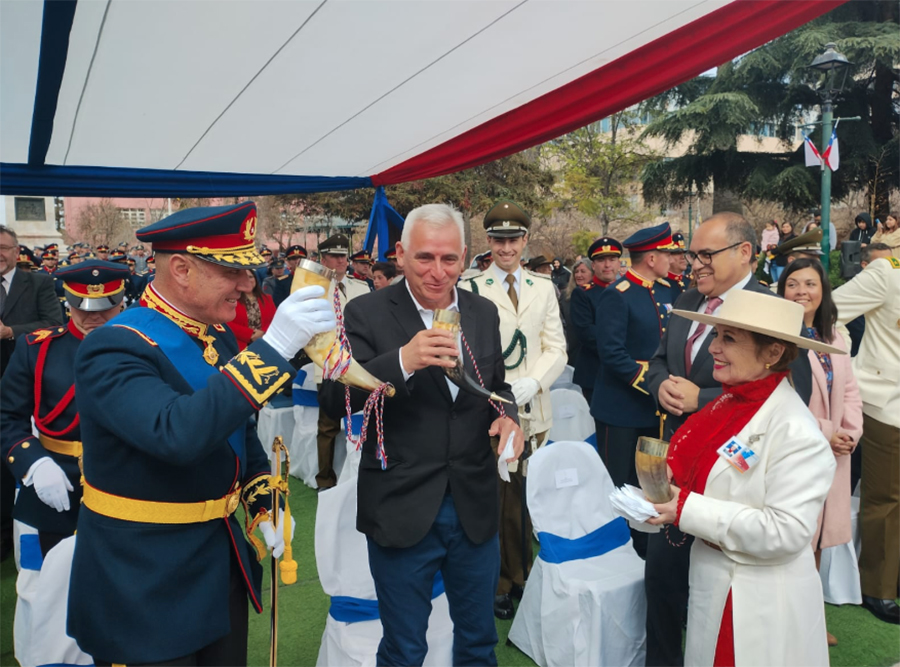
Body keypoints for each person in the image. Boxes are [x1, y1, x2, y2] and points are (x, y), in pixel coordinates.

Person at [66, 201, 336, 666]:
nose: (247, 283)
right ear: (181, 269)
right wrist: (274, 348)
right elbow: (176, 434)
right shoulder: (114, 346)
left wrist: (260, 498)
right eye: (231, 271)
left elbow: (236, 431)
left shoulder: (216, 335)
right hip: (144, 578)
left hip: (216, 561)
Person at [320, 203, 523, 666]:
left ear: (465, 257)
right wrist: (402, 362)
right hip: (401, 504)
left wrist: (508, 416)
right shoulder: (365, 312)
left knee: (478, 643)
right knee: (405, 648)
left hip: (474, 502)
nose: (438, 271)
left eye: (449, 259)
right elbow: (335, 399)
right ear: (400, 254)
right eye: (425, 258)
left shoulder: (482, 312)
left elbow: (497, 386)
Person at [644, 212, 813, 667]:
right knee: (662, 591)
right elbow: (658, 360)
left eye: (706, 254)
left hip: (730, 514)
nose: (695, 263)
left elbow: (787, 391)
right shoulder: (687, 299)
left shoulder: (773, 312)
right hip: (681, 486)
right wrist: (661, 386)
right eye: (692, 254)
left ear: (744, 252)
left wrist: (701, 398)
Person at [460, 200, 566, 620]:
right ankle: (499, 582)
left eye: (514, 239)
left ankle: (522, 575)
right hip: (491, 410)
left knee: (526, 497)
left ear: (525, 241)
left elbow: (556, 347)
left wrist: (533, 382)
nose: (506, 248)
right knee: (496, 499)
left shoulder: (543, 287)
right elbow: (466, 353)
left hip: (534, 407)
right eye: (499, 240)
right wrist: (501, 395)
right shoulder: (472, 288)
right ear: (489, 241)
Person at [1, 260, 129, 566]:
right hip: (58, 479)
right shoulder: (37, 348)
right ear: (67, 302)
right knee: (59, 581)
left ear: (122, 302)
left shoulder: (144, 346)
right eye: (82, 306)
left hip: (127, 481)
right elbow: (6, 416)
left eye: (106, 306)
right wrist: (34, 463)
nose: (94, 315)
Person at [779, 258, 862, 645]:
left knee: (817, 539)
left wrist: (850, 433)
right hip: (797, 451)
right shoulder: (779, 337)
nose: (802, 292)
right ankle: (787, 621)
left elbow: (850, 390)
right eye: (792, 284)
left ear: (823, 291)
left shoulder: (834, 337)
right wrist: (827, 432)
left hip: (833, 453)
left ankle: (810, 618)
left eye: (810, 284)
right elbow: (782, 398)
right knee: (796, 537)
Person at [831, 254, 900, 625]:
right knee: (887, 499)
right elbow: (830, 313)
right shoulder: (889, 273)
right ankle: (877, 586)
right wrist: (848, 365)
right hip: (887, 402)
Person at [592, 223, 673, 491]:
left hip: (656, 409)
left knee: (651, 485)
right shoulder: (618, 294)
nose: (671, 259)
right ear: (651, 259)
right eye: (666, 254)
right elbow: (611, 353)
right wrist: (654, 382)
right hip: (622, 408)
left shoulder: (666, 290)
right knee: (619, 485)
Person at [0, 226, 64, 560]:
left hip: (25, 384)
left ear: (16, 251)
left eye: (3, 247)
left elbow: (54, 323)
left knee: (15, 453)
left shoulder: (38, 283)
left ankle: (13, 532)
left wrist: (10, 331)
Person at [314, 233, 370, 490]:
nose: (340, 261)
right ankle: (325, 480)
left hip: (358, 364)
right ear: (323, 259)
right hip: (328, 364)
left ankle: (358, 477)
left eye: (343, 256)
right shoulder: (314, 290)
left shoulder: (361, 287)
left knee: (362, 422)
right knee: (328, 427)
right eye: (334, 256)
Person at [569, 237, 623, 403]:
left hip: (627, 371)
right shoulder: (583, 293)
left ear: (619, 263)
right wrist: (621, 349)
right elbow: (586, 332)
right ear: (593, 265)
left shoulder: (628, 291)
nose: (607, 265)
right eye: (601, 260)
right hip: (596, 372)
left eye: (612, 259)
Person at [227, 271, 277, 350]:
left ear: (255, 279)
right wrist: (250, 334)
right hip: (239, 345)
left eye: (250, 277)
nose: (248, 280)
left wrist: (263, 332)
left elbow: (275, 319)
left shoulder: (267, 298)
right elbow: (225, 322)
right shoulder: (230, 299)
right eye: (244, 278)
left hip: (265, 342)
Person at [560, 257, 592, 364]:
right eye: (576, 272)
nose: (578, 275)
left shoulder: (598, 295)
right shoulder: (565, 296)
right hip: (571, 349)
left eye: (583, 271)